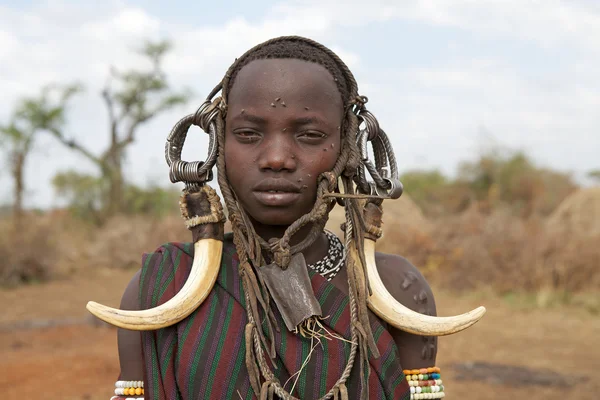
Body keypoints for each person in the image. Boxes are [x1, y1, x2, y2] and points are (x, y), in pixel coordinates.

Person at [89, 36, 485, 400]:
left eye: (310, 136)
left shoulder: (396, 289)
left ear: (347, 148)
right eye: (247, 134)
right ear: (217, 145)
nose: (277, 158)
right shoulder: (160, 288)